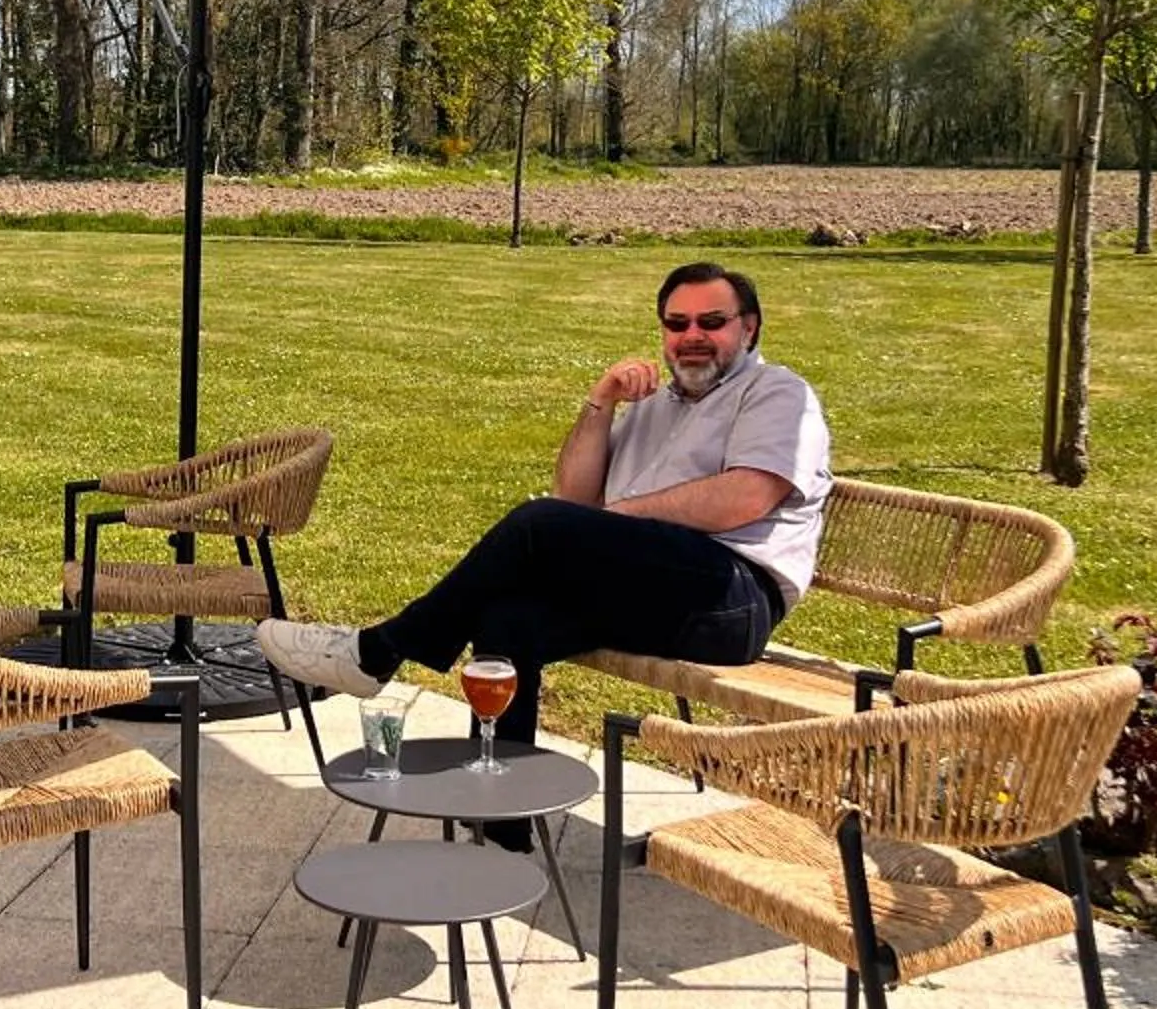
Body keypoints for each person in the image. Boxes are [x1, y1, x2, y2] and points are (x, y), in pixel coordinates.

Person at [260, 261, 833, 813]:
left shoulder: (777, 394)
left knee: (538, 524)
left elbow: (746, 496)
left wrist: (619, 517)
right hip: (648, 591)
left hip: (732, 600)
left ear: (749, 328)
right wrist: (601, 401)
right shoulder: (654, 404)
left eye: (712, 322)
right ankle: (499, 824)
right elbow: (575, 498)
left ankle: (377, 651)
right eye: (677, 323)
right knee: (507, 623)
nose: (692, 337)